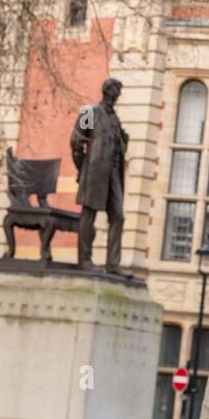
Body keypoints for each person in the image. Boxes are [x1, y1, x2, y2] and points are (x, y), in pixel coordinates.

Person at [70, 77, 128, 274]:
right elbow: (77, 141)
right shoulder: (89, 111)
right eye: (116, 92)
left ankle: (113, 264)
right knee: (89, 215)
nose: (118, 96)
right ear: (108, 91)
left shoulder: (115, 118)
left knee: (118, 215)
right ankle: (84, 260)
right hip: (94, 170)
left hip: (114, 173)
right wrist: (83, 167)